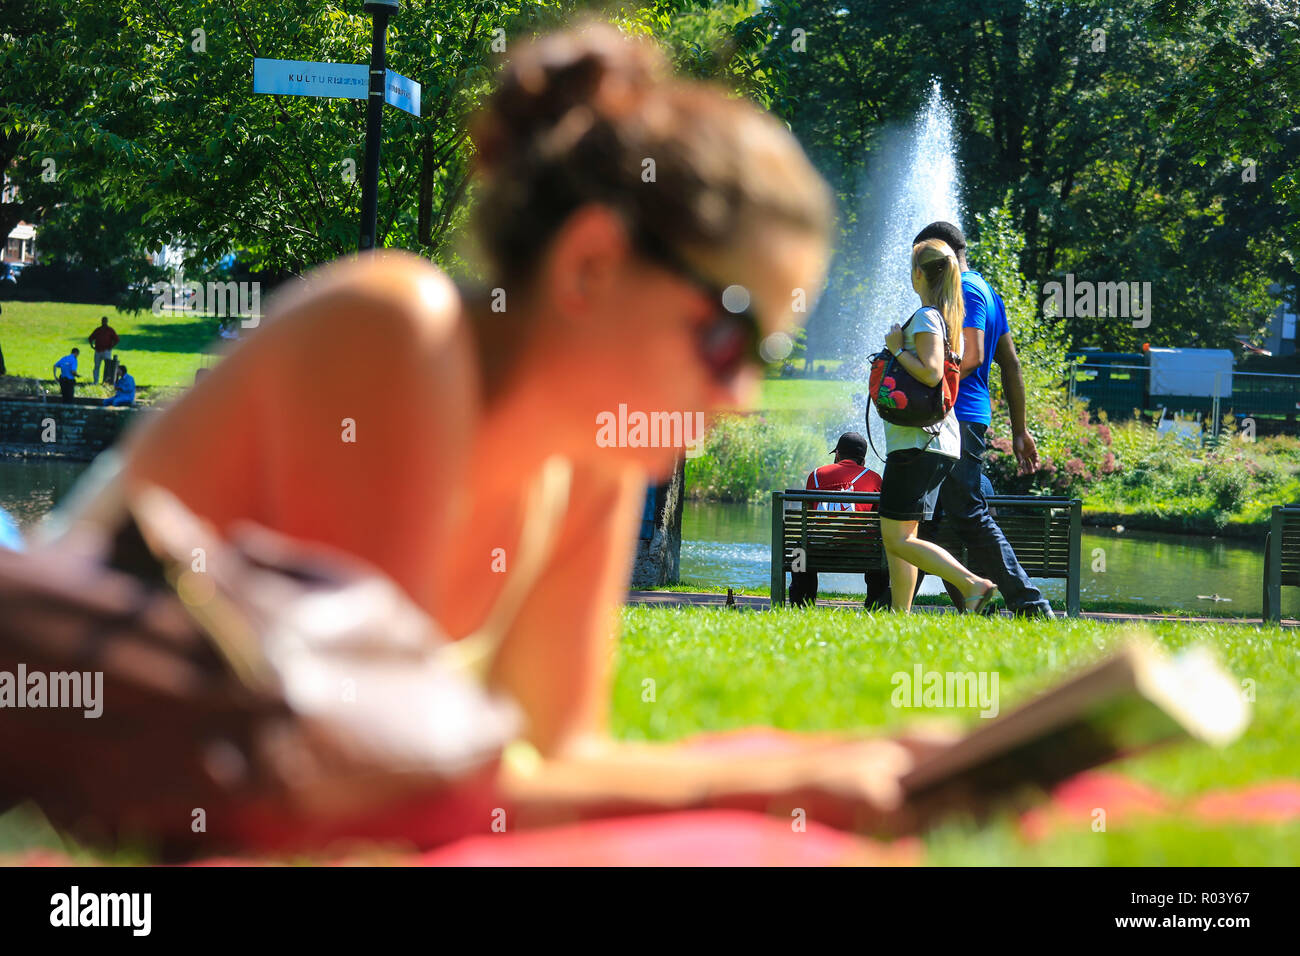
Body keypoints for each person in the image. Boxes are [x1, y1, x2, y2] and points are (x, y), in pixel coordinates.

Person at [36, 25, 928, 839]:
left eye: (765, 354)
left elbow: (557, 759)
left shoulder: (593, 457)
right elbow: (381, 775)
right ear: (591, 262)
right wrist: (780, 788)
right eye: (729, 335)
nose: (739, 394)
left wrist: (842, 768)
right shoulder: (394, 329)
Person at [911, 221, 1054, 617]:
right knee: (934, 519)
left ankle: (1030, 602)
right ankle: (967, 608)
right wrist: (1020, 431)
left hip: (957, 415)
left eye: (927, 258)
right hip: (964, 415)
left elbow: (971, 356)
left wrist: (914, 374)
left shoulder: (967, 290)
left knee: (967, 513)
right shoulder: (988, 291)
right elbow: (1011, 364)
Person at [875, 240, 998, 614]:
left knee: (896, 539)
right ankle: (899, 615)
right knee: (904, 536)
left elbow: (930, 372)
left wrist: (896, 349)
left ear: (918, 275)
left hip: (918, 445)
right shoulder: (948, 321)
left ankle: (972, 583)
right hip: (934, 444)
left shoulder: (928, 317)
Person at [789, 431, 889, 608]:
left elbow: (812, 513)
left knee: (799, 549)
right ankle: (876, 606)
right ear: (863, 460)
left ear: (837, 454)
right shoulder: (874, 479)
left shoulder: (816, 475)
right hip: (864, 555)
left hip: (818, 551)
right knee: (881, 547)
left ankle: (802, 602)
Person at [88, 316, 120, 384]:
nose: (104, 322)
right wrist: (92, 346)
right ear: (101, 321)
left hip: (106, 350)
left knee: (107, 367)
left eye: (105, 321)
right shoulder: (98, 330)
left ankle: (106, 381)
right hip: (98, 350)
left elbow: (117, 339)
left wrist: (111, 347)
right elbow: (91, 338)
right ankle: (95, 381)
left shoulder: (110, 330)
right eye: (103, 321)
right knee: (97, 366)